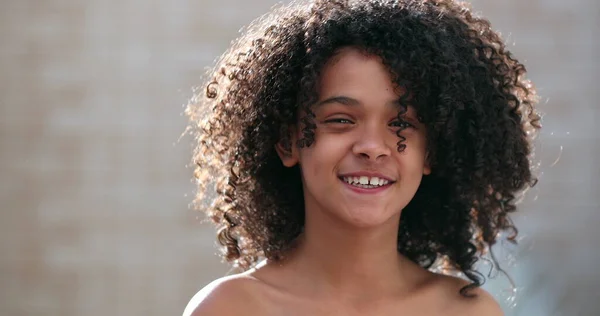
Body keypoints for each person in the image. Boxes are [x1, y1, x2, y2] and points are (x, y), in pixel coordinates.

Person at [183, 0, 541, 314]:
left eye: (401, 123)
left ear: (431, 152)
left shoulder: (466, 312)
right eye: (340, 120)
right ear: (288, 143)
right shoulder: (230, 309)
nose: (372, 146)